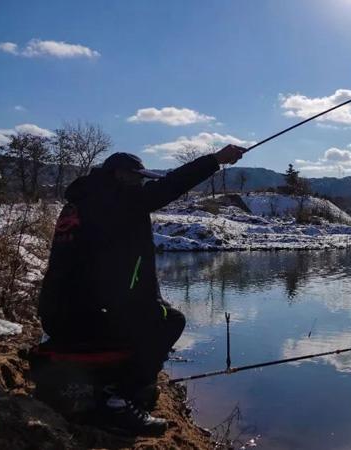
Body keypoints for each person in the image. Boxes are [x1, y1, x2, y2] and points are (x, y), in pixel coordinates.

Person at [37, 144, 245, 434]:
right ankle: (117, 401)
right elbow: (169, 186)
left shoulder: (85, 201)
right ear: (119, 175)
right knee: (170, 321)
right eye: (137, 178)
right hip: (81, 317)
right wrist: (215, 160)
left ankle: (127, 388)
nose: (141, 184)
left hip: (63, 313)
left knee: (152, 317)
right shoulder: (113, 200)